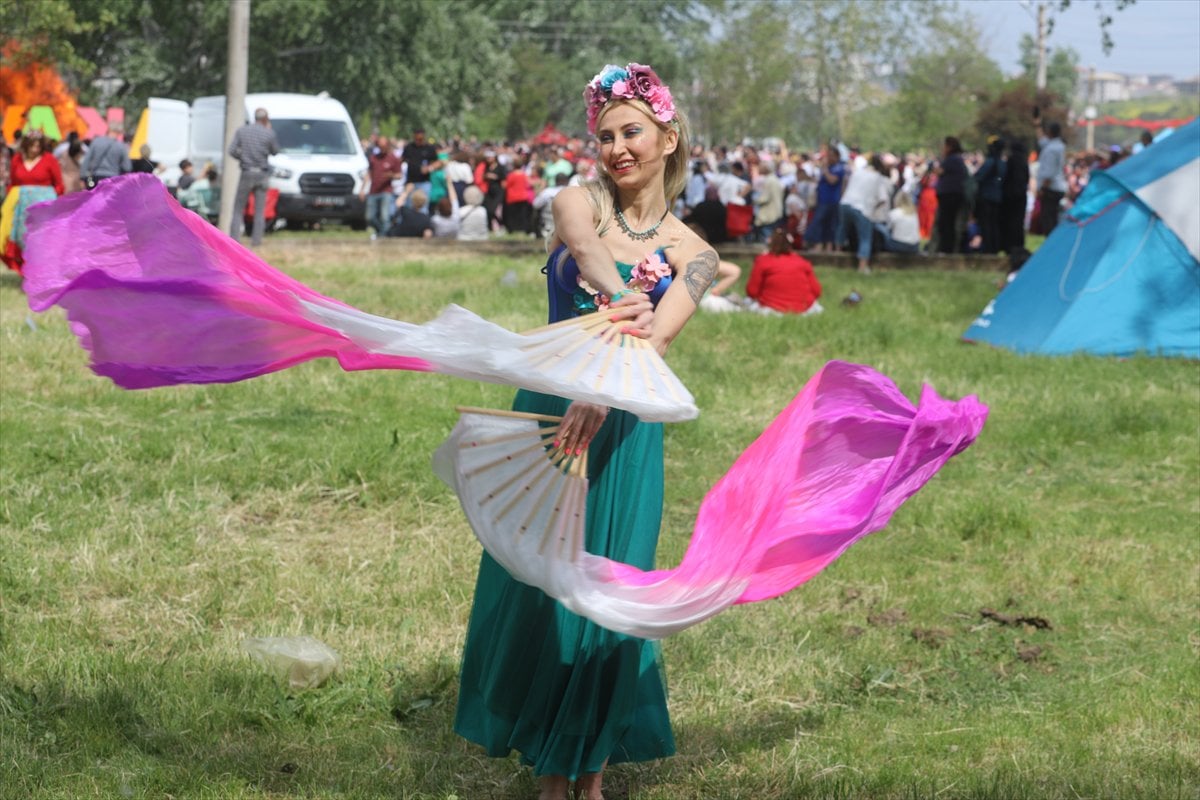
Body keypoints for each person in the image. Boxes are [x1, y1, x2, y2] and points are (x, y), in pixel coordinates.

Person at [455, 61, 716, 800]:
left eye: (631, 132)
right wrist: (617, 302)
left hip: (624, 425)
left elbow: (657, 341)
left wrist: (608, 379)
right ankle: (548, 771)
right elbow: (590, 249)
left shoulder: (697, 256)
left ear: (667, 137)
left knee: (610, 591)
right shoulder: (579, 202)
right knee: (540, 582)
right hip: (550, 411)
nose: (616, 148)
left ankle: (591, 773)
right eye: (604, 136)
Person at [2, 130, 65, 273]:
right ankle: (26, 272)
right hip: (21, 210)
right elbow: (12, 183)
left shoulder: (49, 159)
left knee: (41, 241)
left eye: (38, 146)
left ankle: (41, 272)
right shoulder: (17, 159)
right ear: (25, 145)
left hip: (43, 209)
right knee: (22, 239)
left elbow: (59, 185)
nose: (35, 149)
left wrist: (53, 201)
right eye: (32, 146)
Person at [228, 107, 279, 246]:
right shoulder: (269, 133)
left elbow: (231, 150)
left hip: (247, 172)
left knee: (238, 209)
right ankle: (256, 241)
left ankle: (234, 240)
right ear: (265, 119)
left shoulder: (242, 131)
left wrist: (243, 157)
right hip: (262, 174)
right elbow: (275, 151)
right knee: (259, 210)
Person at [745, 227, 822, 314]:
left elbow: (752, 291)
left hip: (771, 308)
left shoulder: (763, 261)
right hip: (804, 309)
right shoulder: (802, 262)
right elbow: (817, 291)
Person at [838, 153, 892, 273]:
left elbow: (846, 185)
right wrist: (873, 209)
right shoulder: (878, 178)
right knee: (865, 238)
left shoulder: (857, 172)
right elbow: (883, 199)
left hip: (845, 203)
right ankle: (862, 266)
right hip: (863, 209)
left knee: (842, 230)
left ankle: (836, 257)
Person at [361, 136, 402, 240]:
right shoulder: (374, 158)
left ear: (387, 146)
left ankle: (383, 237)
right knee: (369, 217)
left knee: (385, 217)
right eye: (380, 146)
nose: (382, 148)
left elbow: (399, 175)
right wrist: (362, 189)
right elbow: (368, 174)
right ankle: (382, 232)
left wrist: (391, 175)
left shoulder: (394, 159)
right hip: (373, 191)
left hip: (386, 191)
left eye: (383, 146)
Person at [934, 136, 968, 253]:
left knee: (946, 223)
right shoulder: (957, 159)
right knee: (948, 222)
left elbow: (939, 171)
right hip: (952, 195)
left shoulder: (952, 159)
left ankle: (946, 248)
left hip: (949, 196)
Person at [974, 136, 1006, 254]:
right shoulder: (1003, 163)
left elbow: (978, 177)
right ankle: (994, 247)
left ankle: (988, 248)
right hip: (997, 198)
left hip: (987, 197)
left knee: (986, 224)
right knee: (994, 224)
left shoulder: (990, 162)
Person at [1036, 121, 1066, 237]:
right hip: (1057, 187)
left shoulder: (1051, 150)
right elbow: (1041, 141)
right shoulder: (1057, 146)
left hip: (1050, 188)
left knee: (1048, 220)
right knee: (1052, 217)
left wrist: (1042, 189)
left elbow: (1049, 172)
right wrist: (1037, 124)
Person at [80, 121, 131, 187]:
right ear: (119, 132)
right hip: (113, 178)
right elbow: (127, 167)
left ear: (108, 129)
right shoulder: (121, 146)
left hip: (96, 176)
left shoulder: (96, 141)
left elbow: (87, 160)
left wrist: (83, 176)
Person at [876, 190, 921, 254]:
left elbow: (889, 229)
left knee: (879, 227)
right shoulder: (914, 213)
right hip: (914, 246)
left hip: (898, 246)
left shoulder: (894, 213)